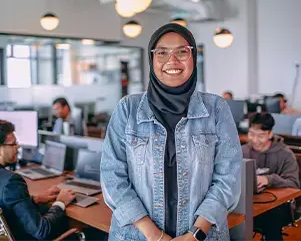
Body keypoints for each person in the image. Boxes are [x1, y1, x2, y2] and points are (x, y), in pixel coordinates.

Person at [101, 23, 242, 241]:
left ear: (193, 57)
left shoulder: (216, 108)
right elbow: (112, 176)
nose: (172, 61)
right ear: (151, 59)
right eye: (162, 52)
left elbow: (228, 179)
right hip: (136, 236)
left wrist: (195, 234)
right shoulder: (128, 108)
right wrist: (154, 235)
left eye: (182, 52)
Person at [0, 120, 76, 241]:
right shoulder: (11, 182)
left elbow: (7, 206)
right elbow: (41, 231)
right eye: (13, 144)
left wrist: (36, 199)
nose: (18, 146)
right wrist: (60, 202)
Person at [242, 113, 300, 241]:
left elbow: (294, 184)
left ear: (270, 134)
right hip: (249, 200)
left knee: (271, 218)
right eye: (251, 134)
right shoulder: (243, 150)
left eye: (261, 136)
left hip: (279, 206)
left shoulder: (285, 154)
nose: (255, 140)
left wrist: (269, 180)